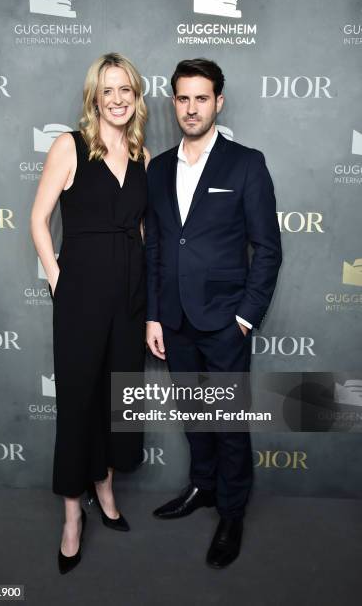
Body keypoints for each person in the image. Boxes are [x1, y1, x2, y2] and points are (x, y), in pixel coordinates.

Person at [145, 58, 282, 569]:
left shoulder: (246, 163)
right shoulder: (159, 168)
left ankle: (232, 511)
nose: (191, 108)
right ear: (173, 102)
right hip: (174, 320)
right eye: (182, 98)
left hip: (226, 321)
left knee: (228, 420)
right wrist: (154, 315)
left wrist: (245, 318)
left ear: (218, 103)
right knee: (194, 415)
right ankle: (201, 487)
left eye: (201, 98)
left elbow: (267, 248)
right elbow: (157, 247)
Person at [30, 52, 150, 574]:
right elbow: (38, 220)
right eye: (108, 91)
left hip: (129, 299)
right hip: (80, 298)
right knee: (79, 402)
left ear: (136, 96)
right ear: (94, 98)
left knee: (117, 397)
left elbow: (143, 231)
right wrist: (59, 279)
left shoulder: (144, 154)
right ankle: (72, 517)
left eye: (126, 89)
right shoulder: (71, 146)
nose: (118, 99)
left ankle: (105, 487)